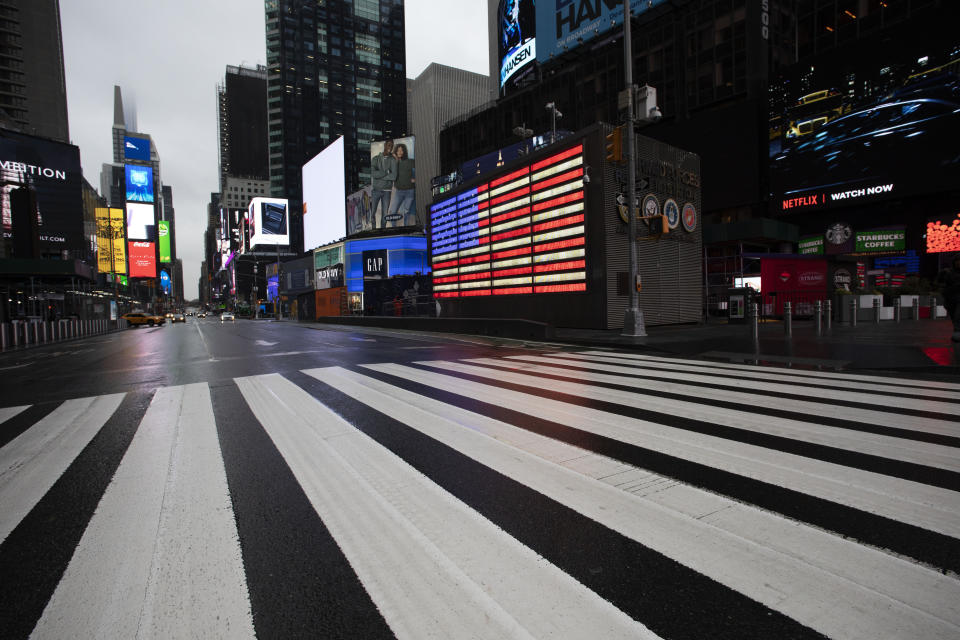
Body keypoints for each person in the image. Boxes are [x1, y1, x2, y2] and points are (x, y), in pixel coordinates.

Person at [386, 143, 415, 227]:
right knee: (392, 212)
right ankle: (393, 229)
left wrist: (416, 179)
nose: (400, 152)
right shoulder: (393, 164)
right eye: (398, 150)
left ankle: (406, 227)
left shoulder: (410, 161)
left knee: (406, 211)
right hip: (399, 192)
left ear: (404, 151)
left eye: (401, 150)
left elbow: (421, 168)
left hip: (409, 191)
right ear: (395, 152)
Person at [370, 140, 397, 228]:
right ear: (385, 145)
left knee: (385, 214)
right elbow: (373, 174)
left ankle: (383, 231)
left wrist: (380, 175)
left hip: (387, 191)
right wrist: (386, 172)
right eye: (389, 145)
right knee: (372, 212)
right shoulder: (375, 159)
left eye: (392, 146)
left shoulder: (392, 160)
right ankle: (373, 230)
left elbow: (394, 176)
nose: (390, 147)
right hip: (376, 190)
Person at [937, 254, 960, 341]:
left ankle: (957, 332)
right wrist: (941, 274)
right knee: (954, 316)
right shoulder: (949, 272)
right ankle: (957, 331)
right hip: (950, 298)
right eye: (957, 261)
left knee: (958, 315)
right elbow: (940, 281)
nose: (958, 263)